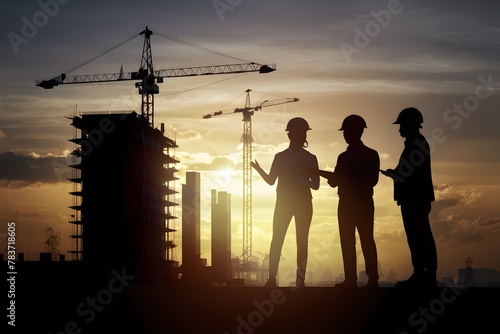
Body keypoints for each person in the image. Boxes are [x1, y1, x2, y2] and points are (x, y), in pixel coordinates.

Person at [251, 117, 320, 288]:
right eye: (299, 133)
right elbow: (271, 180)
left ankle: (299, 279)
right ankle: (273, 278)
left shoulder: (309, 158)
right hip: (285, 203)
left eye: (302, 133)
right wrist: (259, 169)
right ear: (291, 136)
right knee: (279, 239)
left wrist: (302, 182)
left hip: (300, 203)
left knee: (300, 241)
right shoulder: (281, 157)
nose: (301, 136)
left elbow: (316, 184)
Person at [381, 107, 438, 288]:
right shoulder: (415, 144)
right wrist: (395, 173)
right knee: (415, 236)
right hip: (413, 198)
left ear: (412, 125)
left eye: (402, 125)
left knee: (420, 235)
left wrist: (393, 174)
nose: (400, 129)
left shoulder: (417, 145)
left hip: (415, 199)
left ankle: (426, 275)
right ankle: (421, 273)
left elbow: (407, 174)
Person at [327, 114, 380, 288]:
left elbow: (372, 180)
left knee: (365, 239)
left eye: (347, 131)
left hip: (361, 203)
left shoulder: (370, 155)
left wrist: (347, 179)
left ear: (357, 132)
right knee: (347, 241)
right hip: (347, 204)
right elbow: (334, 182)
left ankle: (372, 279)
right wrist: (334, 178)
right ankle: (351, 279)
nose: (344, 135)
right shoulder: (342, 157)